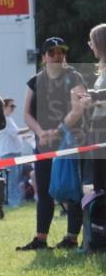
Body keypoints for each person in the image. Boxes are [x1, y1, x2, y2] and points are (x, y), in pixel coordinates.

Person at [17, 37, 88, 250]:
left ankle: (72, 237)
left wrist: (58, 131)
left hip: (70, 140)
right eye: (52, 52)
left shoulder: (74, 76)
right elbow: (26, 114)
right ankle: (40, 238)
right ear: (43, 57)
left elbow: (78, 109)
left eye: (61, 52)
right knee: (45, 189)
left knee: (71, 188)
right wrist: (40, 132)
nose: (57, 56)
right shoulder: (35, 81)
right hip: (44, 143)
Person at [82, 23, 106, 196]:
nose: (90, 46)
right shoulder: (102, 70)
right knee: (99, 182)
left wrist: (93, 96)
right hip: (98, 129)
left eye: (91, 42)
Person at [0, 98, 27, 208]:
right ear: (4, 107)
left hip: (15, 154)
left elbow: (15, 135)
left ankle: (16, 201)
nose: (13, 108)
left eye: (14, 106)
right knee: (11, 180)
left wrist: (27, 136)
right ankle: (11, 202)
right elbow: (15, 132)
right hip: (9, 154)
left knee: (16, 179)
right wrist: (31, 128)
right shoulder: (4, 119)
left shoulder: (9, 119)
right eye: (11, 106)